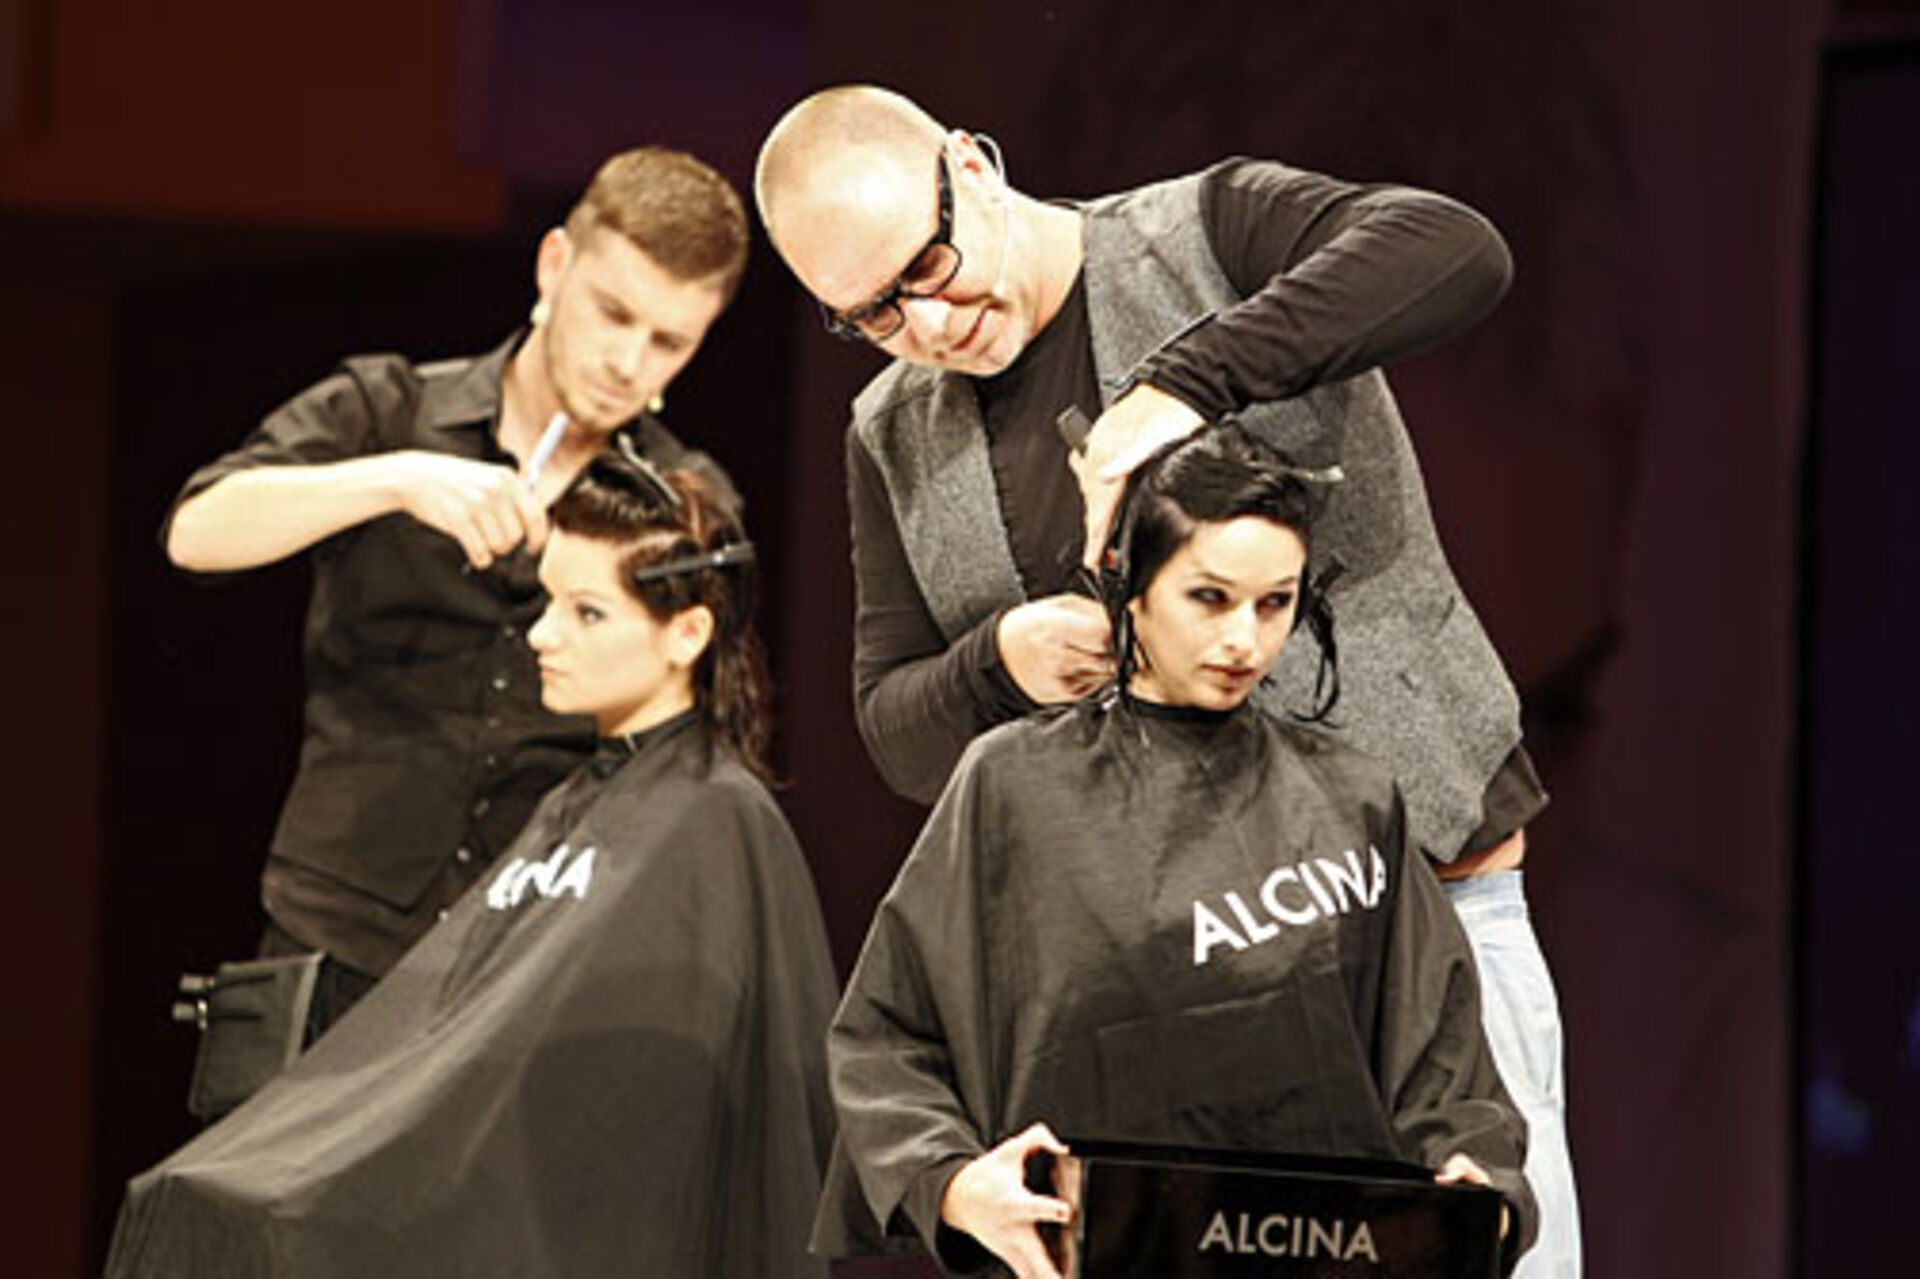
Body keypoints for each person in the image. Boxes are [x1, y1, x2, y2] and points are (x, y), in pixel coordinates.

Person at [756, 85, 1578, 1276]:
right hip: (1147, 1006)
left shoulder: (1206, 237)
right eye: (871, 313)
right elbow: (894, 726)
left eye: (927, 264)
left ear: (974, 168)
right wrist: (1003, 660)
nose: (927, 321)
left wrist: (1187, 382)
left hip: (1413, 949)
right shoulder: (893, 432)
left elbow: (1455, 250)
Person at [816, 425, 1536, 1278]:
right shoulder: (1013, 787)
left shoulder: (1353, 799)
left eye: (1275, 603)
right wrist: (956, 1182)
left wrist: (1478, 1183)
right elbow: (887, 1037)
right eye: (1210, 597)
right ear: (1131, 590)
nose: (1245, 642)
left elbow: (1446, 1063)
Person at [109, 455, 839, 1278]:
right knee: (197, 1202)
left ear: (688, 633)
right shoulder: (574, 804)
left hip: (578, 1227)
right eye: (548, 601)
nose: (542, 634)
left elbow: (651, 1123)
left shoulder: (719, 823)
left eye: (587, 612)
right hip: (503, 1197)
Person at [165, 146, 751, 1033]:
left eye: (670, 341)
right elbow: (197, 532)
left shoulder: (680, 503)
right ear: (554, 265)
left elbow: (687, 741)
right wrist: (396, 480)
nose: (629, 362)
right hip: (336, 934)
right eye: (612, 312)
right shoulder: (389, 409)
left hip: (533, 960)